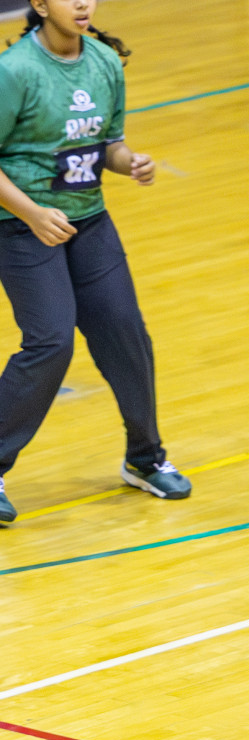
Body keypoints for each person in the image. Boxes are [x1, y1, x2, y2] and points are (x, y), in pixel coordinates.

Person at [0, 0, 190, 525]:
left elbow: (110, 144)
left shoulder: (104, 61)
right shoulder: (14, 72)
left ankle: (144, 457)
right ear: (39, 5)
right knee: (51, 342)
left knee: (126, 333)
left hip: (90, 222)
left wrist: (132, 163)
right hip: (20, 225)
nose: (83, 3)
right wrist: (34, 214)